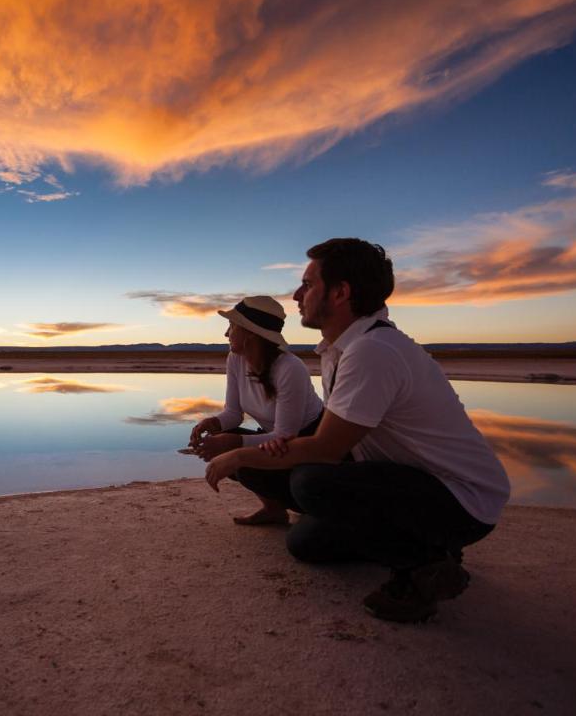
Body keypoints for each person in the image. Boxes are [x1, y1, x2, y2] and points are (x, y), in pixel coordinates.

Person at [204, 239, 509, 623]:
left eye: (308, 285)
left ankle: (426, 567)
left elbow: (326, 449)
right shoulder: (342, 349)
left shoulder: (373, 350)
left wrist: (238, 453)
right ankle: (427, 543)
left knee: (312, 482)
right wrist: (246, 450)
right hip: (408, 481)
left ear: (340, 293)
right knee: (305, 544)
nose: (297, 295)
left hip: (459, 501)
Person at [188, 295, 324, 525]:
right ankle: (273, 510)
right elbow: (233, 414)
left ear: (250, 333)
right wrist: (213, 423)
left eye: (232, 326)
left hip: (306, 446)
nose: (226, 334)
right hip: (277, 442)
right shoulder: (236, 359)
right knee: (223, 440)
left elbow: (285, 436)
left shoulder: (290, 368)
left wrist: (234, 443)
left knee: (235, 452)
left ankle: (300, 501)